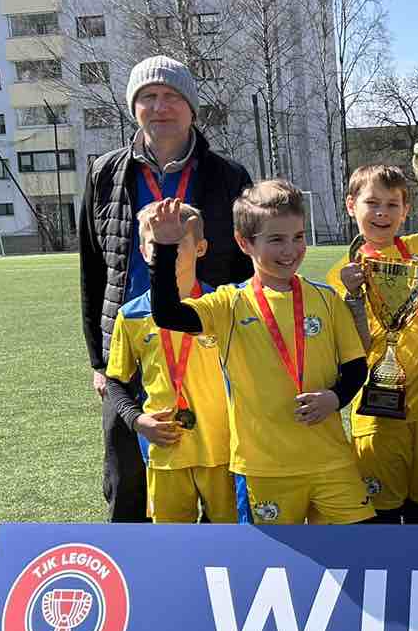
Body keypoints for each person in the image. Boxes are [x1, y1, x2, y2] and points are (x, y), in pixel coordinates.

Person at [79, 55, 252, 521]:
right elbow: (93, 270)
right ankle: (139, 583)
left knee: (218, 471)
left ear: (191, 107)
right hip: (133, 339)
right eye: (148, 97)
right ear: (134, 108)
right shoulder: (105, 173)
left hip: (206, 345)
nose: (160, 106)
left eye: (172, 96)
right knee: (127, 480)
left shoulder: (228, 176)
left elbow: (247, 264)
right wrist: (99, 360)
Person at [147, 183, 373, 525]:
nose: (291, 250)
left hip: (331, 462)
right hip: (263, 470)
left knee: (362, 549)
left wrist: (334, 398)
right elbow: (167, 314)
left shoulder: (327, 299)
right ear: (244, 242)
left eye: (298, 237)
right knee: (277, 569)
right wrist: (164, 249)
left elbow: (356, 367)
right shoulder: (228, 304)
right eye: (276, 240)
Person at [329, 165, 418, 524]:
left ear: (406, 211)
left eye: (392, 204)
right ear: (351, 205)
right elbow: (354, 347)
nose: (382, 213)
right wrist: (352, 298)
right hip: (377, 413)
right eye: (372, 203)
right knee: (383, 516)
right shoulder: (341, 275)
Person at [103, 201, 236, 523]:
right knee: (172, 544)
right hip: (165, 450)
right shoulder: (131, 315)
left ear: (200, 247)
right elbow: (116, 380)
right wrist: (138, 421)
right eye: (157, 243)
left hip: (223, 447)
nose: (168, 251)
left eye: (176, 243)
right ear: (144, 250)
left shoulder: (222, 306)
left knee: (231, 540)